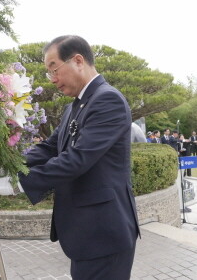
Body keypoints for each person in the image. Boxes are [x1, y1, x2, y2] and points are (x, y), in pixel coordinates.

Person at [18, 35, 140, 280]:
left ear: (78, 60)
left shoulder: (107, 99)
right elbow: (51, 148)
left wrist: (19, 182)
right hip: (87, 232)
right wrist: (10, 164)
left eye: (54, 69)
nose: (52, 79)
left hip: (104, 232)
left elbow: (77, 159)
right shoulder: (74, 106)